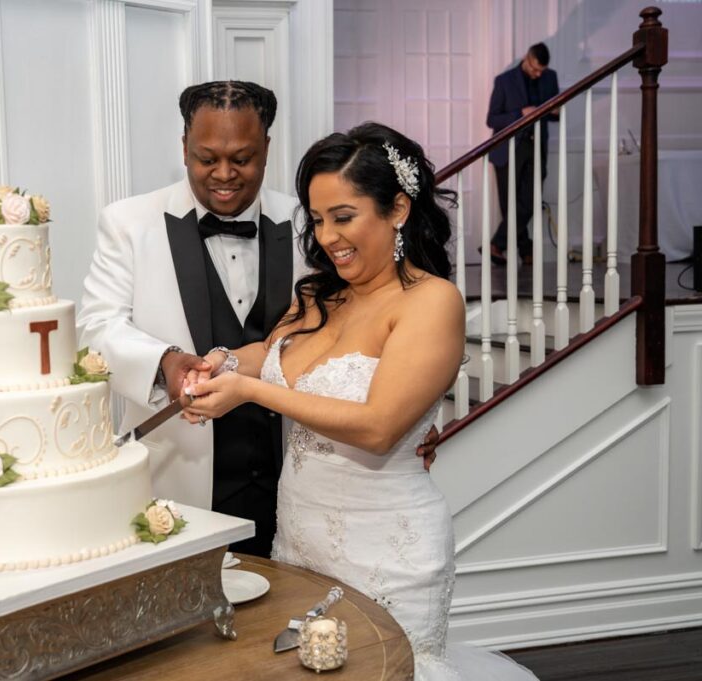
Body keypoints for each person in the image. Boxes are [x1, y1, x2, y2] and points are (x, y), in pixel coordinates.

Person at [183, 122, 538, 680]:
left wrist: (251, 392)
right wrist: (220, 363)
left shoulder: (430, 302)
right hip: (300, 537)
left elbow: (378, 427)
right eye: (318, 220)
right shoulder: (320, 293)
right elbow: (273, 357)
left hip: (387, 550)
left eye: (343, 217)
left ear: (397, 209)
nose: (327, 237)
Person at [79, 81, 436, 558]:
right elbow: (96, 329)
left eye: (242, 159)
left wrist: (412, 413)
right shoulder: (128, 223)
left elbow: (367, 330)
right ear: (184, 148)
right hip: (181, 480)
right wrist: (166, 362)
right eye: (207, 158)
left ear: (267, 148)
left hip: (292, 483)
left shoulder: (312, 223)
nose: (224, 174)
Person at [486, 42, 559, 266]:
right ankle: (526, 250)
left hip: (537, 146)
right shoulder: (504, 81)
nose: (538, 74)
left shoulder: (550, 77)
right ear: (527, 58)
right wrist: (521, 113)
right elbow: (492, 119)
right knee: (511, 206)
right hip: (508, 150)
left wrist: (556, 111)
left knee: (530, 200)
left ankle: (497, 244)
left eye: (541, 71)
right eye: (535, 69)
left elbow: (554, 115)